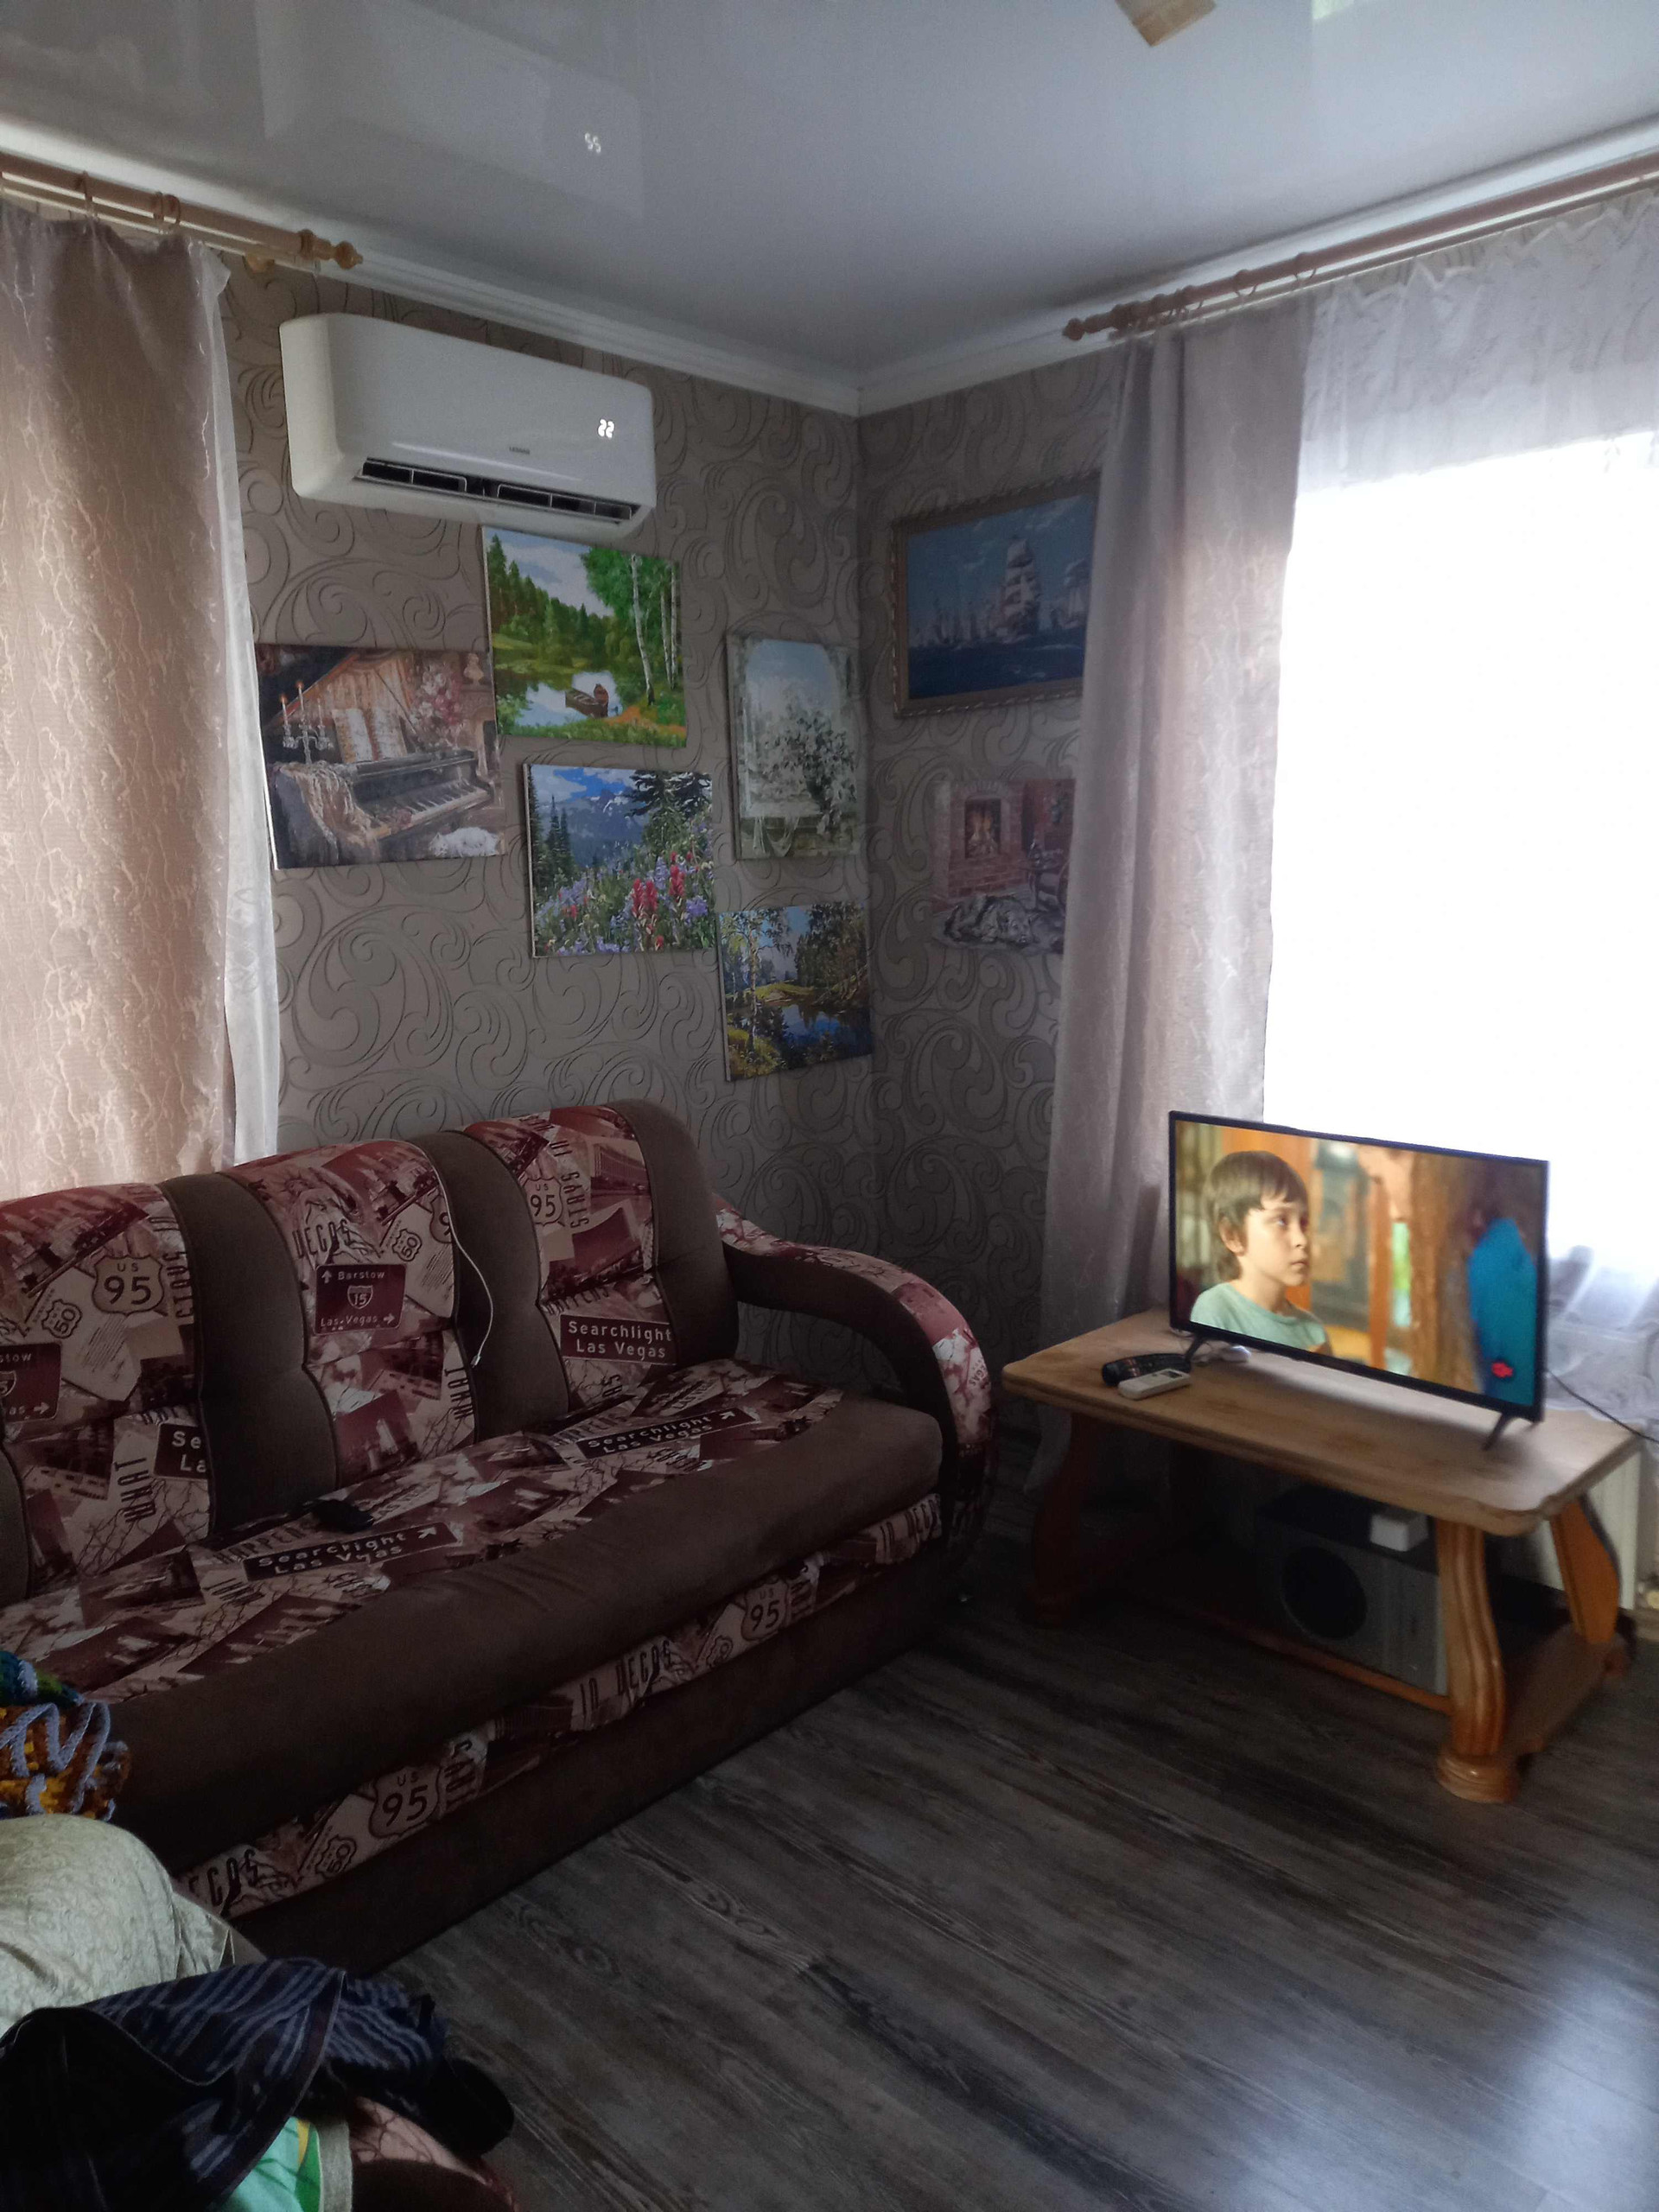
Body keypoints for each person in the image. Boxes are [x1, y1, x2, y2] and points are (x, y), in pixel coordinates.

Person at [1189, 1151, 1332, 1352]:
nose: (1301, 1240)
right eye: (1281, 1221)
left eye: (1303, 1222)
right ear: (1232, 1235)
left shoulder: (1314, 1332)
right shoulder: (1215, 1310)